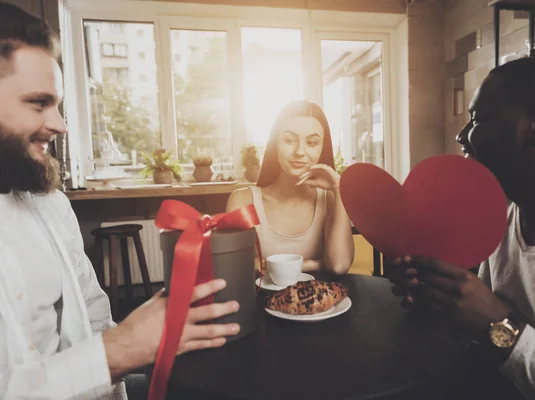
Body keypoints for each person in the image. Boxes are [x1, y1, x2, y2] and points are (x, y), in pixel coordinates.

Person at [0, 3, 240, 398]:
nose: (59, 124)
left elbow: (94, 312)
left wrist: (145, 338)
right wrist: (121, 349)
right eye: (39, 103)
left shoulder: (52, 205)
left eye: (58, 104)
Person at [387, 54, 535, 399]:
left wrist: (501, 325)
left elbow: (498, 326)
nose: (461, 135)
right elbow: (483, 333)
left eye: (477, 119)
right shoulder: (506, 211)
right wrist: (443, 297)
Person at [226, 101, 354, 274]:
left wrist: (339, 188)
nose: (300, 151)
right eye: (290, 140)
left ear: (322, 148)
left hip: (319, 300)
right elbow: (235, 266)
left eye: (312, 143)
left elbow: (339, 266)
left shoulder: (330, 199)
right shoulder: (243, 200)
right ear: (275, 144)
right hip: (258, 300)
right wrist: (315, 264)